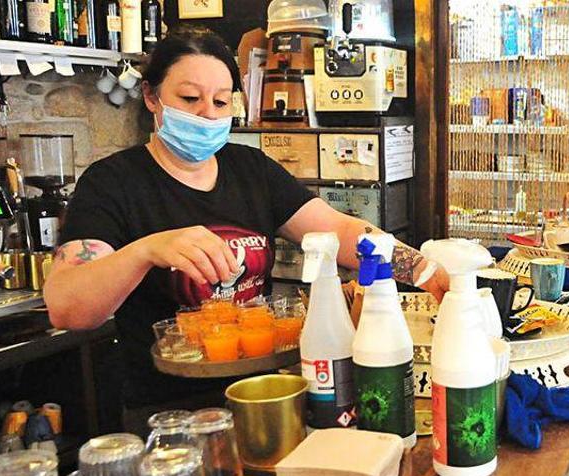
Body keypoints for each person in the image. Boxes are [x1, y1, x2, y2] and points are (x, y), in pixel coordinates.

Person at [43, 28, 448, 429]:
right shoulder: (113, 183)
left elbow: (337, 230)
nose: (208, 113)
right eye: (189, 98)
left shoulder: (251, 170)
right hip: (169, 416)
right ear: (151, 97)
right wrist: (146, 250)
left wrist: (421, 269)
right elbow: (68, 307)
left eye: (221, 101)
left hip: (265, 397)